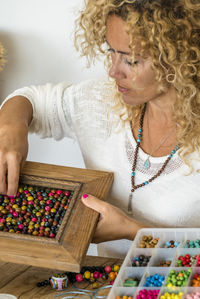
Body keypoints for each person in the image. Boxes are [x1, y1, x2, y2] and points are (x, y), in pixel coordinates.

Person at [0, 0, 200, 257]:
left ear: (179, 58)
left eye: (132, 60)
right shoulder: (100, 102)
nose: (113, 71)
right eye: (111, 51)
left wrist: (134, 231)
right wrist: (9, 127)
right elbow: (32, 100)